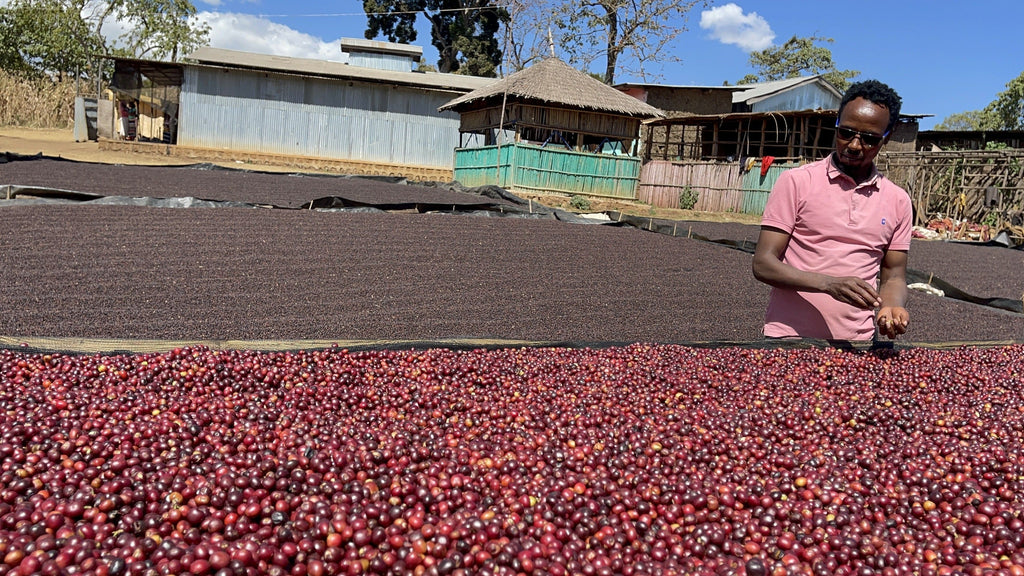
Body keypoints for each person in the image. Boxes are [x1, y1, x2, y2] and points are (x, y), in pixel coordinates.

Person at [752, 80, 912, 341]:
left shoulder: (898, 200)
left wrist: (892, 308)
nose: (854, 145)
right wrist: (828, 284)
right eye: (846, 132)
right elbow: (763, 263)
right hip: (788, 340)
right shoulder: (797, 182)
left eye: (870, 138)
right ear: (837, 123)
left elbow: (894, 276)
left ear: (887, 137)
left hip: (858, 343)